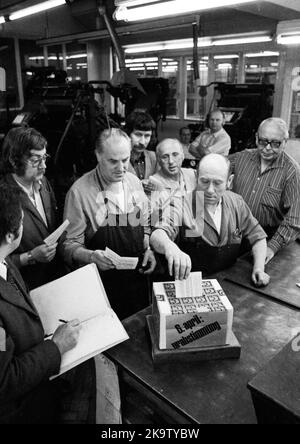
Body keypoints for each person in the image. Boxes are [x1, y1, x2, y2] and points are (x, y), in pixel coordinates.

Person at [0, 183, 81, 424]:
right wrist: (56, 346)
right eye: (22, 221)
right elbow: (5, 381)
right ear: (10, 235)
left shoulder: (5, 260)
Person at [62, 128, 156, 320]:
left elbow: (145, 224)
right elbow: (68, 246)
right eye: (113, 161)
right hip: (103, 288)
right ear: (98, 156)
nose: (121, 168)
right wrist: (90, 256)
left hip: (137, 281)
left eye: (125, 160)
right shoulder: (79, 192)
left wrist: (148, 248)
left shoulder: (133, 182)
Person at [150, 153, 270, 287]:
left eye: (218, 183)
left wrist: (259, 268)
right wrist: (169, 247)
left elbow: (258, 237)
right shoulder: (181, 205)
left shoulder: (237, 203)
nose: (210, 190)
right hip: (191, 286)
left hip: (229, 282)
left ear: (229, 181)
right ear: (196, 177)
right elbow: (158, 234)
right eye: (205, 181)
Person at [230, 117, 300, 264]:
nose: (268, 148)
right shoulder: (241, 158)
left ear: (285, 143)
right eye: (263, 141)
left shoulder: (292, 172)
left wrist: (271, 247)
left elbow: (295, 219)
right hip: (233, 237)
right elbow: (212, 168)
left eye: (275, 143)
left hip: (265, 242)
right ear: (256, 138)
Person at [0, 127, 60, 290]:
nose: (44, 166)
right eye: (35, 160)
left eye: (44, 158)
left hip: (54, 280)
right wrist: (30, 256)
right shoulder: (4, 197)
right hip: (25, 287)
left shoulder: (44, 183)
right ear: (14, 160)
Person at [125, 110, 157, 181]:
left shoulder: (154, 158)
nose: (142, 142)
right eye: (138, 135)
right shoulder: (118, 158)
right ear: (128, 133)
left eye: (147, 136)